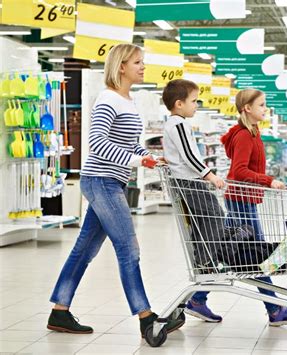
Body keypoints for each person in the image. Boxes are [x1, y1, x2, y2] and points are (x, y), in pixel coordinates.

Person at [47, 44, 183, 338]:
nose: (143, 66)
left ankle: (59, 311)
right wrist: (136, 160)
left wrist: (147, 155)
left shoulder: (128, 100)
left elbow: (126, 143)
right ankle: (146, 318)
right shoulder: (108, 99)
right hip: (101, 181)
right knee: (128, 249)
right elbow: (96, 143)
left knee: (85, 249)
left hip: (112, 181)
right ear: (121, 66)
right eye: (138, 62)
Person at [220, 88, 287, 326]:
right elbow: (239, 171)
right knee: (256, 255)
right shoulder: (245, 135)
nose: (265, 109)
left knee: (228, 253)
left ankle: (197, 297)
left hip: (243, 199)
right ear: (247, 108)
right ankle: (275, 309)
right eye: (261, 105)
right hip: (241, 200)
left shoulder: (252, 132)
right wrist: (269, 180)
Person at [161, 79, 226, 323]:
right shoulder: (178, 124)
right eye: (194, 101)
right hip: (190, 183)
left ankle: (205, 258)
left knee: (206, 219)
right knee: (216, 216)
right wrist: (209, 175)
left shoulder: (178, 124)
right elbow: (188, 155)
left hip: (189, 182)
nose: (197, 105)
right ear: (179, 104)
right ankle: (205, 260)